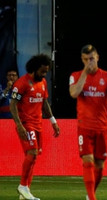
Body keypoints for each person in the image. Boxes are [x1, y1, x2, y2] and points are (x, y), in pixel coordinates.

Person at [69, 44, 107, 200]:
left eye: (91, 58)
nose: (89, 62)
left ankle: (90, 194)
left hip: (102, 127)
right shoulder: (76, 75)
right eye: (85, 59)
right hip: (84, 126)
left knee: (100, 166)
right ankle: (92, 197)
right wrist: (85, 71)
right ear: (82, 60)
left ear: (97, 57)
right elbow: (74, 93)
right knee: (88, 161)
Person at [10, 54, 60, 200]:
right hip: (26, 124)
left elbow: (44, 103)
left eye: (46, 71)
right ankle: (23, 186)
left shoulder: (43, 82)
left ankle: (25, 193)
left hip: (38, 124)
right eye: (42, 71)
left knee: (33, 156)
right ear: (34, 68)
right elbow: (13, 103)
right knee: (31, 153)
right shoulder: (22, 83)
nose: (44, 74)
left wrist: (53, 121)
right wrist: (19, 125)